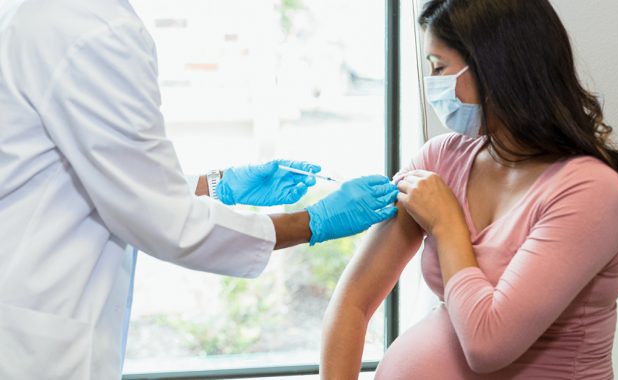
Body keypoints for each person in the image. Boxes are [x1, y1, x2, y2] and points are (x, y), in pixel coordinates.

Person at [0, 0, 398, 379]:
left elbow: (116, 180)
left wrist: (216, 186)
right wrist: (313, 221)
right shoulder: (92, 30)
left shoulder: (44, 16)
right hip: (32, 338)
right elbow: (164, 220)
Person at [320, 0, 618, 378]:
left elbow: (488, 346)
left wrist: (447, 225)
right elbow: (354, 301)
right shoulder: (440, 159)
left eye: (439, 67)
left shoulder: (589, 190)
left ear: (493, 68)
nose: (433, 83)